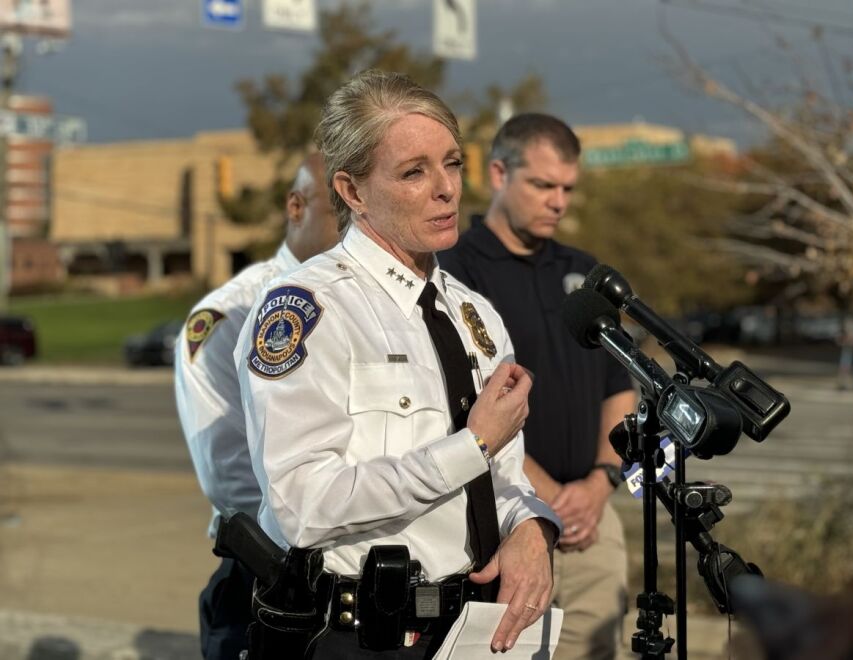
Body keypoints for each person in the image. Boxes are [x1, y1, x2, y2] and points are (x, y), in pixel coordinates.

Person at [234, 70, 560, 658]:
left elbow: (506, 476)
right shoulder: (310, 309)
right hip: (358, 634)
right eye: (414, 171)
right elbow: (304, 504)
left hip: (471, 630)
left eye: (453, 164)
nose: (447, 190)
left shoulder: (472, 313)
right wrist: (470, 447)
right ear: (353, 192)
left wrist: (532, 527)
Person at [439, 113, 636, 660]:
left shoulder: (584, 272)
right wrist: (548, 499)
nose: (558, 202)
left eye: (568, 188)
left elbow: (619, 387)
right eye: (543, 185)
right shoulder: (455, 270)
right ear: (499, 173)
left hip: (593, 520)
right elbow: (466, 407)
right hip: (508, 520)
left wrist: (600, 483)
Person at [174, 153, 338, 660]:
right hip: (269, 578)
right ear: (296, 205)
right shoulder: (232, 313)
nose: (360, 227)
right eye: (342, 211)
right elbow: (229, 473)